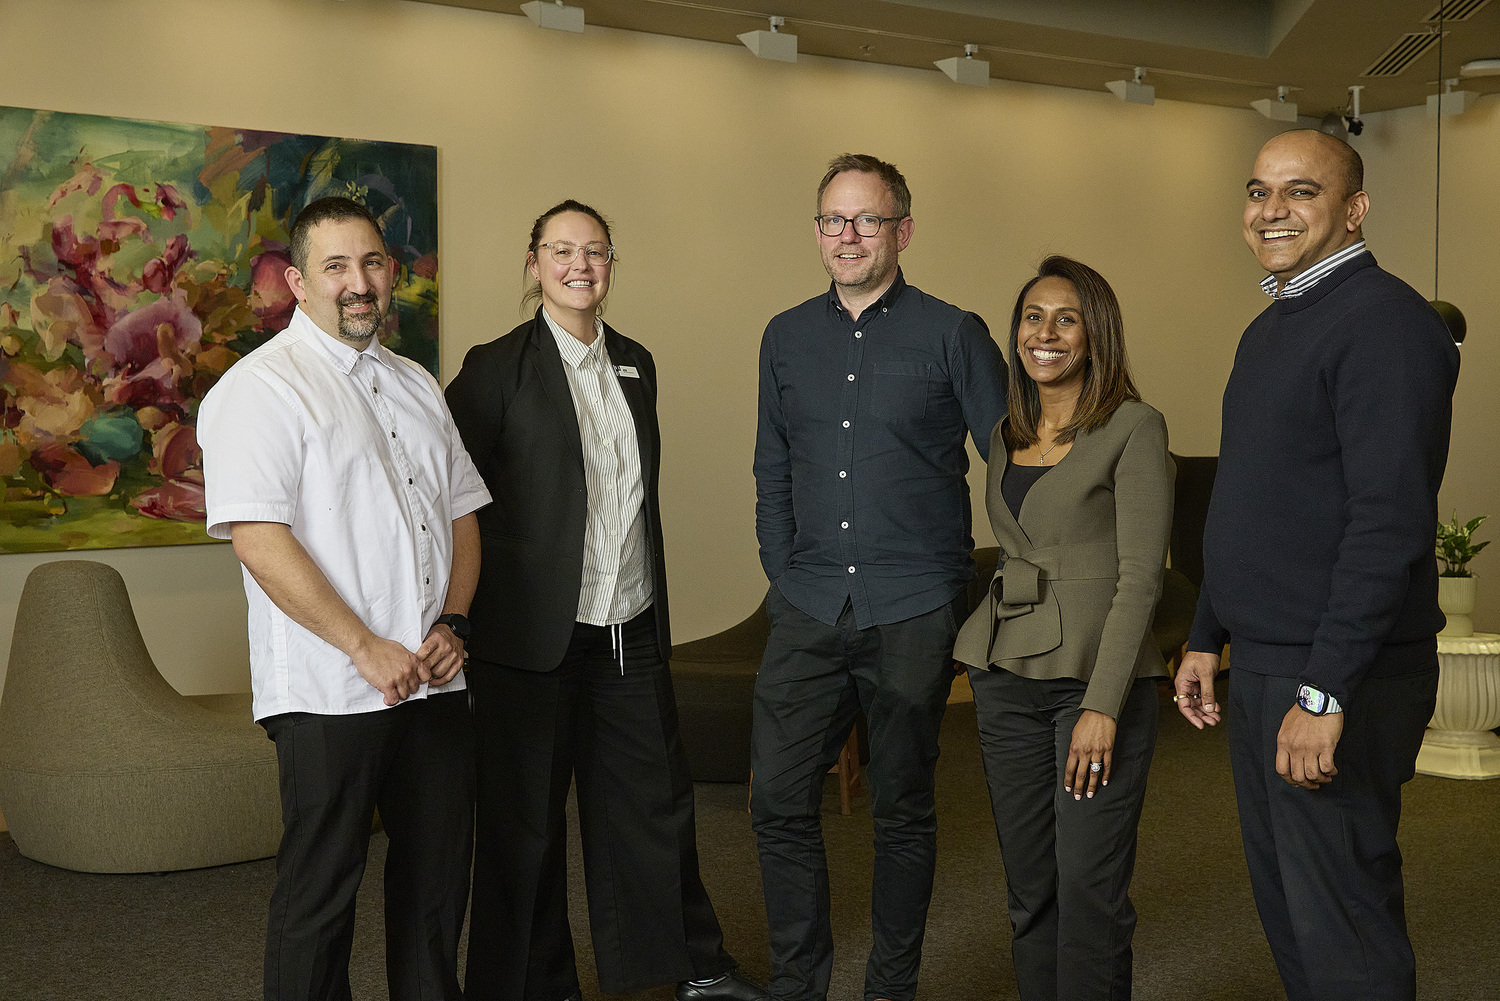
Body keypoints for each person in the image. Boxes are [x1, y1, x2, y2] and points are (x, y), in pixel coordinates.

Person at [445, 200, 768, 1001]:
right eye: (561, 250)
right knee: (526, 825)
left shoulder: (636, 362)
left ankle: (686, 966)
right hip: (528, 640)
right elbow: (451, 498)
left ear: (611, 263)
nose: (578, 264)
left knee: (654, 808)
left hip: (629, 627)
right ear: (534, 263)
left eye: (594, 250)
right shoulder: (495, 367)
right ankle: (530, 985)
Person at [1174, 130, 1460, 1001]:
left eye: (1301, 192)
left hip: (1341, 672)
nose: (1272, 211)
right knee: (1294, 915)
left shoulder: (1386, 322)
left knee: (1343, 925)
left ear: (1354, 208)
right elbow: (1254, 504)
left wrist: (1325, 690)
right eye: (1260, 192)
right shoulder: (1272, 330)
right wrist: (1203, 634)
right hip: (1267, 660)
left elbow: (1386, 523)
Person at [198, 196, 491, 1001]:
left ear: (390, 274)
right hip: (332, 689)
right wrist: (366, 646)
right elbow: (260, 539)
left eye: (371, 263)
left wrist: (452, 622)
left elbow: (462, 514)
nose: (357, 282)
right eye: (335, 266)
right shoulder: (259, 389)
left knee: (435, 890)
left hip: (435, 677)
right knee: (320, 895)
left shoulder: (417, 383)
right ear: (297, 281)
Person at [750, 154, 1008, 1001]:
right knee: (779, 802)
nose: (848, 235)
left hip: (914, 607)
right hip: (810, 601)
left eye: (866, 219)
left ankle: (890, 987)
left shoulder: (953, 331)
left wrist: (986, 593)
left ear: (903, 228)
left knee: (903, 809)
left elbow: (1012, 466)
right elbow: (773, 463)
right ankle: (800, 984)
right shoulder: (785, 336)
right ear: (817, 231)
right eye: (833, 220)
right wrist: (783, 567)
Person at [953, 256, 1172, 1001]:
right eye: (1032, 317)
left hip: (1094, 680)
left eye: (1065, 318)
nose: (1044, 333)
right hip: (1005, 673)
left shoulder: (1134, 427)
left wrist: (1102, 706)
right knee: (1031, 885)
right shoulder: (1002, 429)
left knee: (1089, 887)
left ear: (1095, 333)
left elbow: (1142, 576)